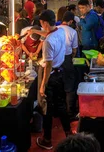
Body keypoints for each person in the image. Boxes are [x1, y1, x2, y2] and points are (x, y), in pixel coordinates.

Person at [35, 10, 71, 150]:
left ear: (44, 23)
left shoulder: (47, 43)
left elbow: (48, 66)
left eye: (41, 23)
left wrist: (43, 85)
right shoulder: (60, 31)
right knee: (61, 106)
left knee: (47, 109)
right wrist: (35, 31)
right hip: (60, 73)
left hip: (51, 76)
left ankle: (47, 139)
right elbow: (48, 34)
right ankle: (68, 134)